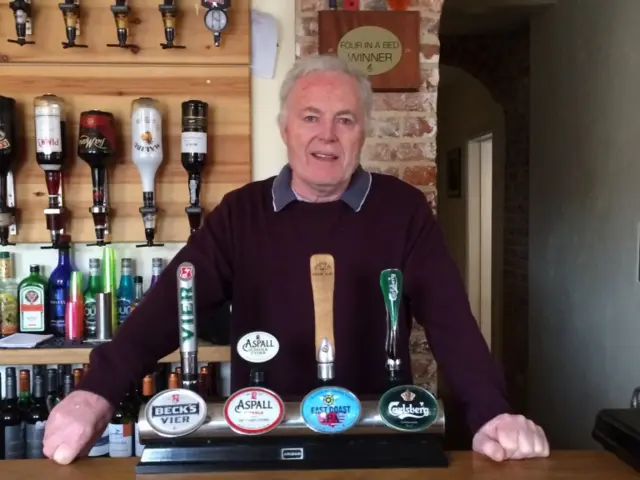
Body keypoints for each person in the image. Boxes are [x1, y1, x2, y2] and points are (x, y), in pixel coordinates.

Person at [42, 54, 549, 465]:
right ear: (285, 127)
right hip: (263, 438)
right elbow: (172, 304)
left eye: (344, 120)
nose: (327, 135)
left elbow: (451, 321)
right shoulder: (241, 213)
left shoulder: (402, 210)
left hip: (376, 438)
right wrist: (96, 393)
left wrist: (491, 414)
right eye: (311, 117)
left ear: (362, 133)